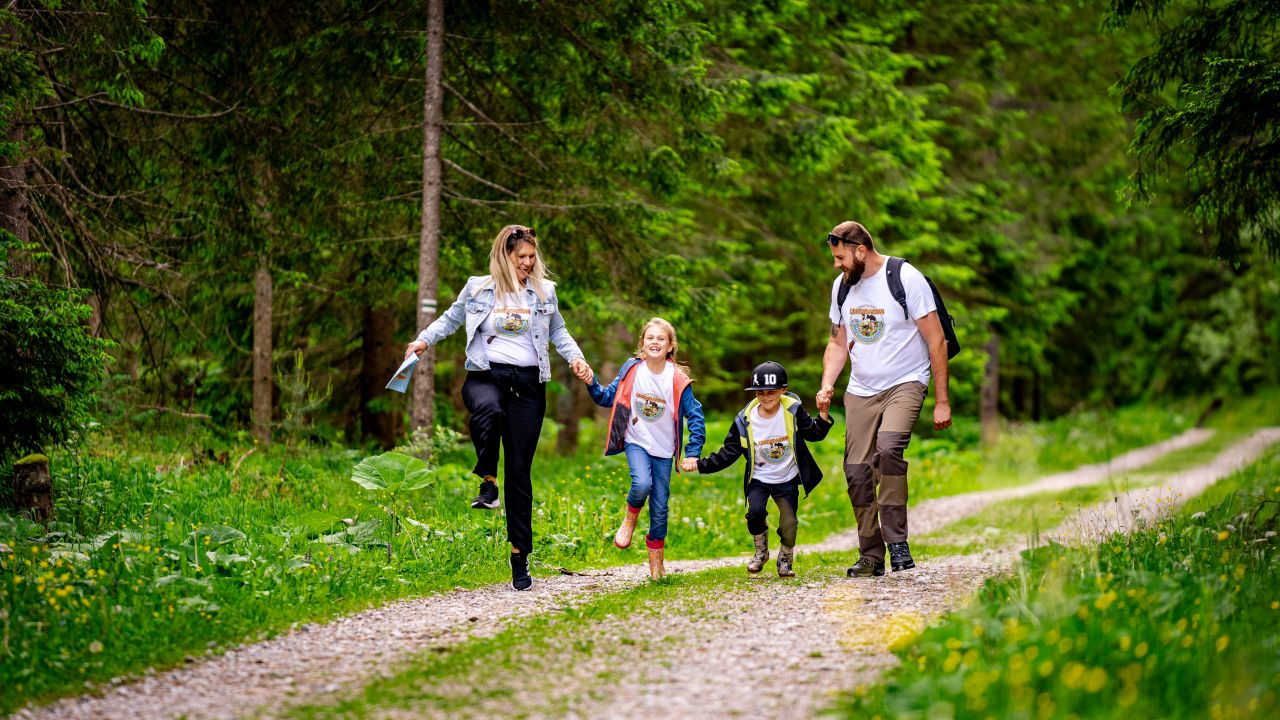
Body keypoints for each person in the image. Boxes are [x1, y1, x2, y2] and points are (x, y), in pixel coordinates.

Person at [404, 225, 592, 591]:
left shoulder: (544, 292)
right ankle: (488, 481)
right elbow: (451, 318)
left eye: (531, 257)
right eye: (520, 257)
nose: (527, 263)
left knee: (519, 472)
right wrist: (423, 340)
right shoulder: (478, 288)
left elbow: (559, 331)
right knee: (487, 410)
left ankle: (519, 557)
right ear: (504, 256)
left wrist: (577, 359)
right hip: (486, 375)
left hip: (529, 385)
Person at [815, 221, 952, 578]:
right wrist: (827, 384)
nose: (837, 265)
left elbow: (936, 340)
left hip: (905, 381)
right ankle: (871, 554)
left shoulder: (906, 278)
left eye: (841, 258)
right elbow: (837, 342)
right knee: (856, 470)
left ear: (861, 251)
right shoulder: (842, 287)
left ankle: (897, 541)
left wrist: (942, 401)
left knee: (889, 448)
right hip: (861, 388)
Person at [582, 317, 705, 580]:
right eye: (650, 338)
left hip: (663, 450)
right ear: (642, 343)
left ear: (670, 346)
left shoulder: (677, 379)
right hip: (635, 440)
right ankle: (630, 518)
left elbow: (696, 416)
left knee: (660, 509)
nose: (655, 342)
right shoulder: (632, 369)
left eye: (661, 338)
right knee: (641, 484)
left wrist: (693, 452)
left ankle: (656, 566)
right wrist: (592, 381)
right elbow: (608, 397)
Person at [694, 361, 832, 577]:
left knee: (789, 522)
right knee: (755, 514)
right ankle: (761, 552)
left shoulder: (793, 410)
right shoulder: (745, 419)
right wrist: (700, 464)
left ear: (784, 390)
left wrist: (823, 412)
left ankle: (785, 559)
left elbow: (814, 434)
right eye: (760, 392)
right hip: (759, 478)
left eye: (771, 392)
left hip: (787, 478)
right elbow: (729, 451)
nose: (766, 397)